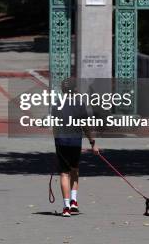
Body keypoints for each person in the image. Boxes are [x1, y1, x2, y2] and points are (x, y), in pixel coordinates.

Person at [53, 77, 99, 217]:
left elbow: (55, 126)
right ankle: (74, 201)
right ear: (75, 90)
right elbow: (86, 126)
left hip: (61, 141)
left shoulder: (56, 104)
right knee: (75, 170)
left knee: (64, 173)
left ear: (62, 90)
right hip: (75, 141)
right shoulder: (79, 104)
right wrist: (92, 143)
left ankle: (66, 207)